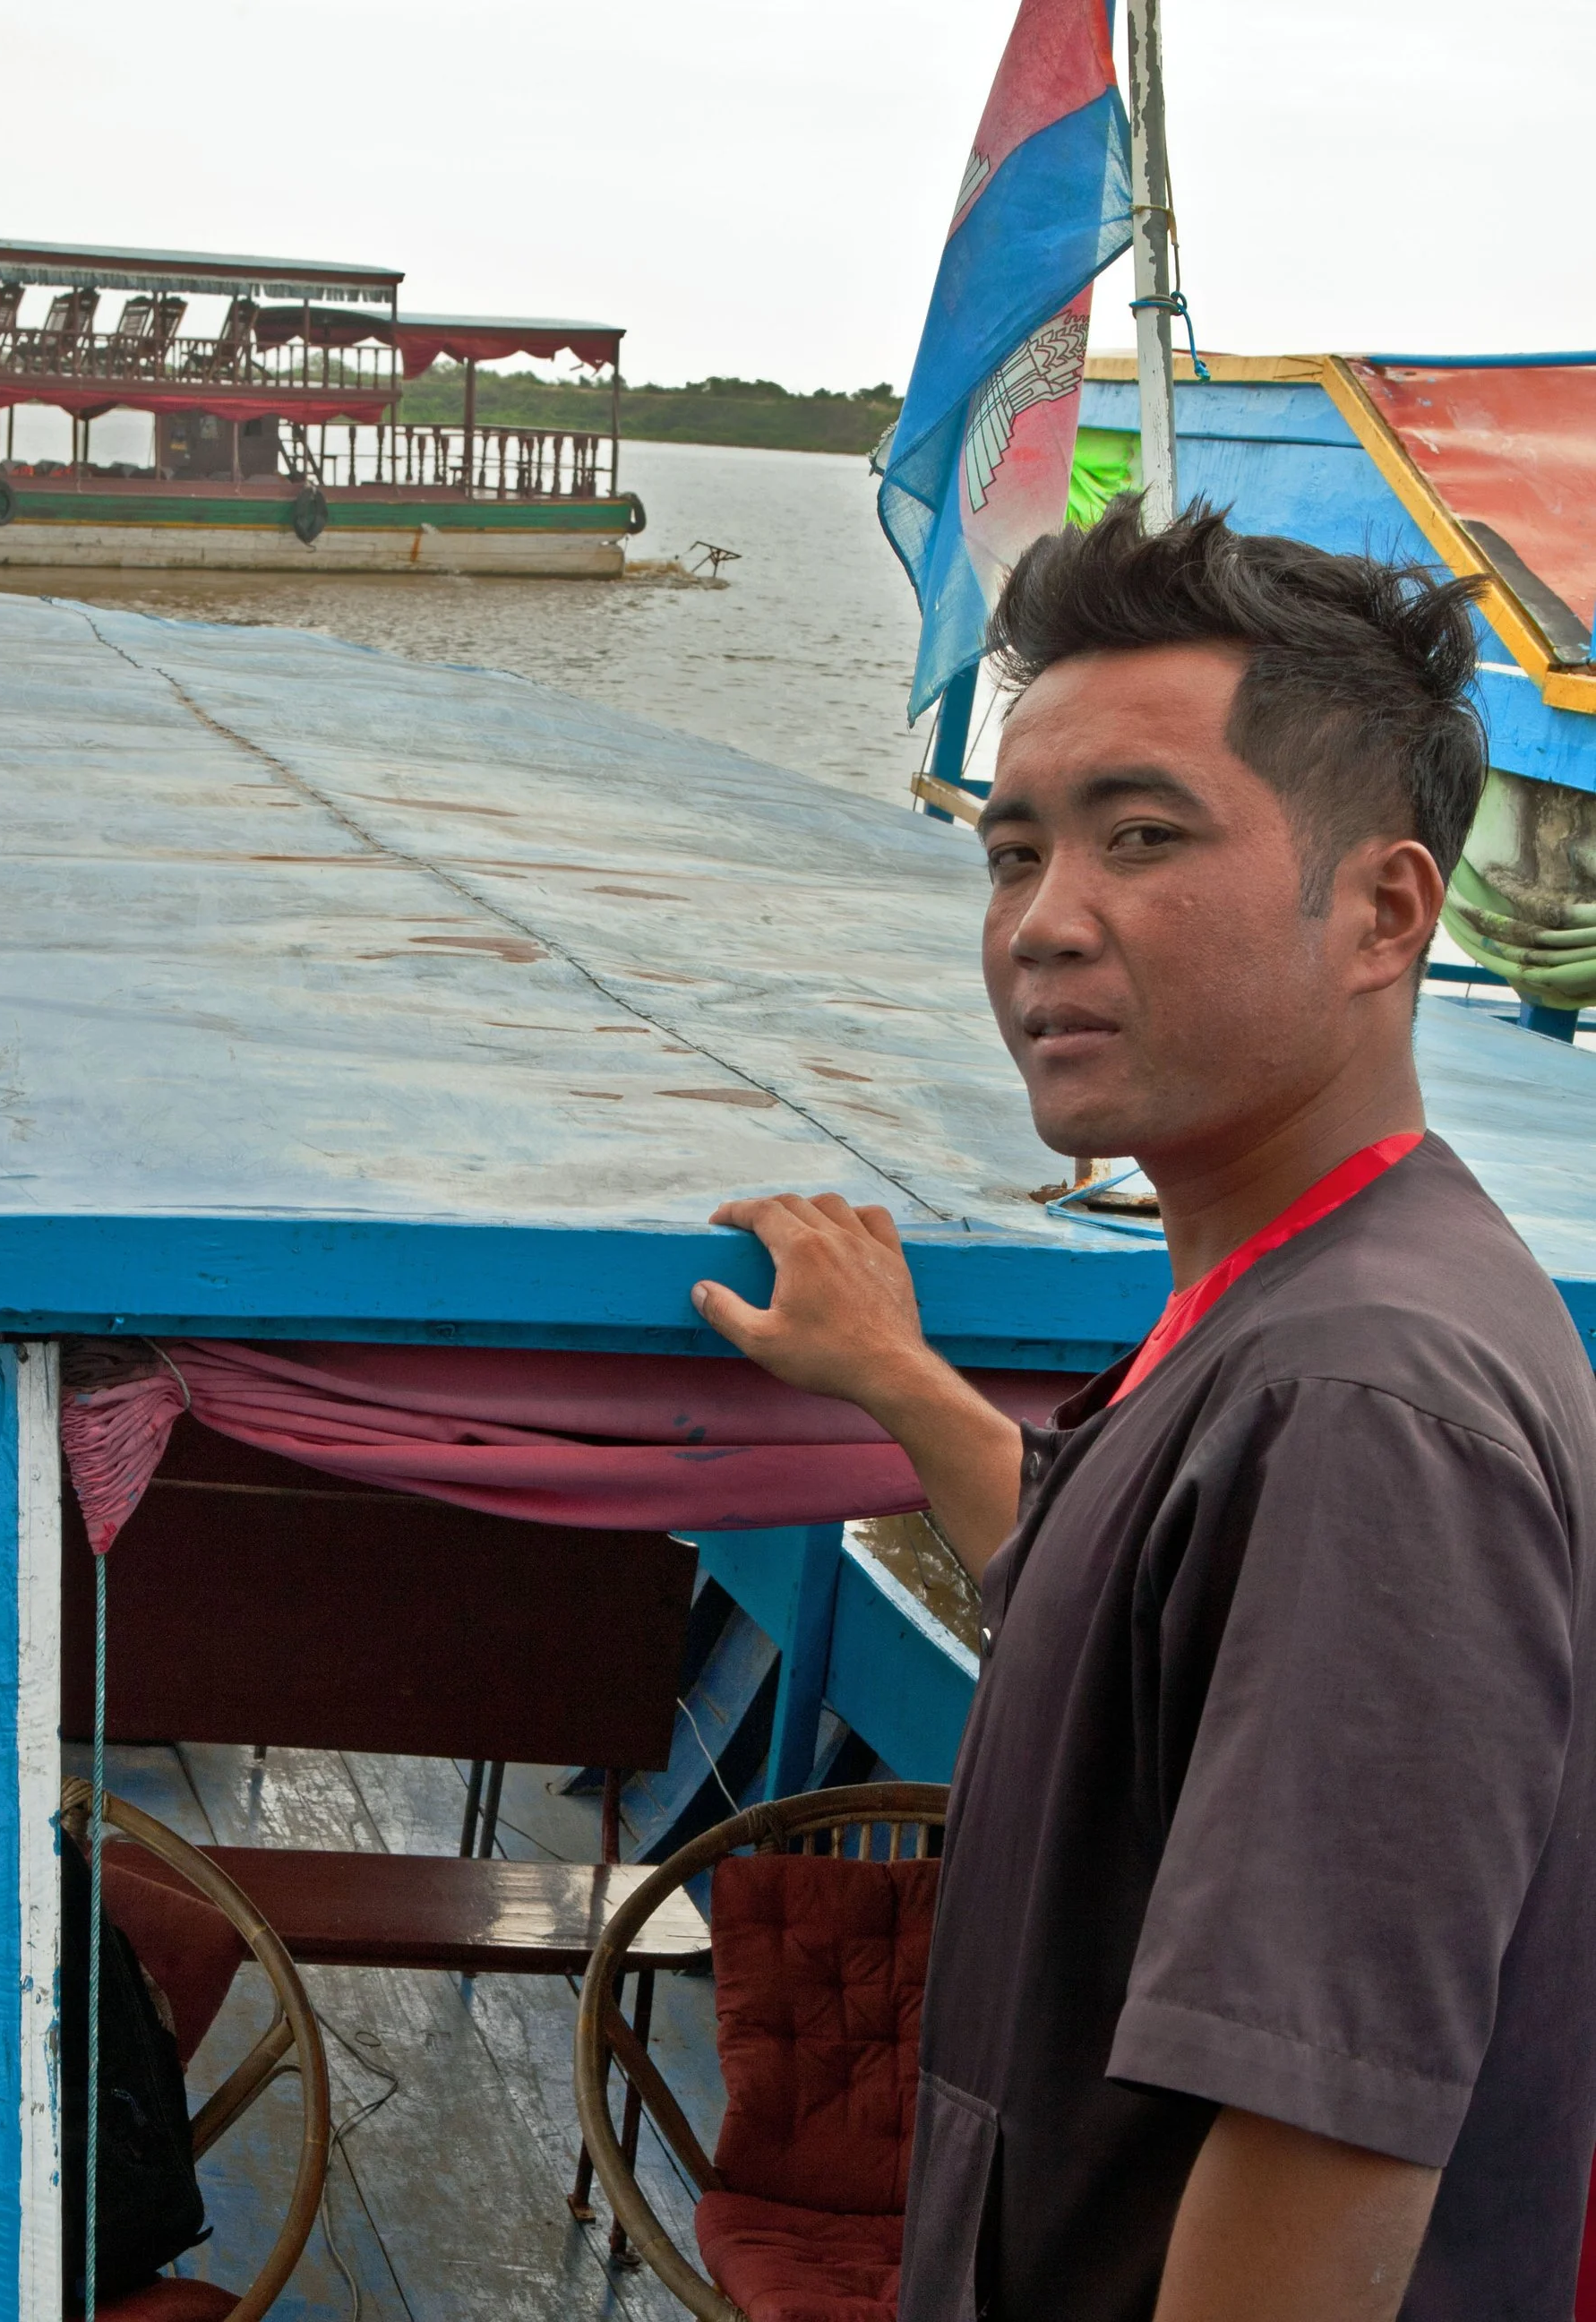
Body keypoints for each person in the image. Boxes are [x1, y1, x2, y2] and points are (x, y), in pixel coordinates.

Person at [694, 503, 1596, 2322]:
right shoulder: (1295, 1293)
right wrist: (897, 1376)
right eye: (1013, 852)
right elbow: (1099, 1598)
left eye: (1142, 838)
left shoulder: (1364, 1402)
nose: (1043, 925)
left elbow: (1316, 2140)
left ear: (1383, 911)